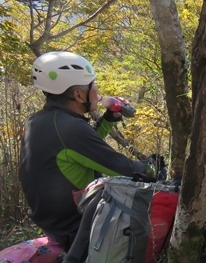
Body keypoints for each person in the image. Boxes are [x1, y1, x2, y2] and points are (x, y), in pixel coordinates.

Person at [19, 51, 153, 250]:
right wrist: (153, 168)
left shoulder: (39, 120)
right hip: (78, 228)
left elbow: (82, 149)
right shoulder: (70, 129)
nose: (97, 92)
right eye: (92, 85)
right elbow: (123, 168)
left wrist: (108, 120)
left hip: (52, 224)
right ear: (78, 94)